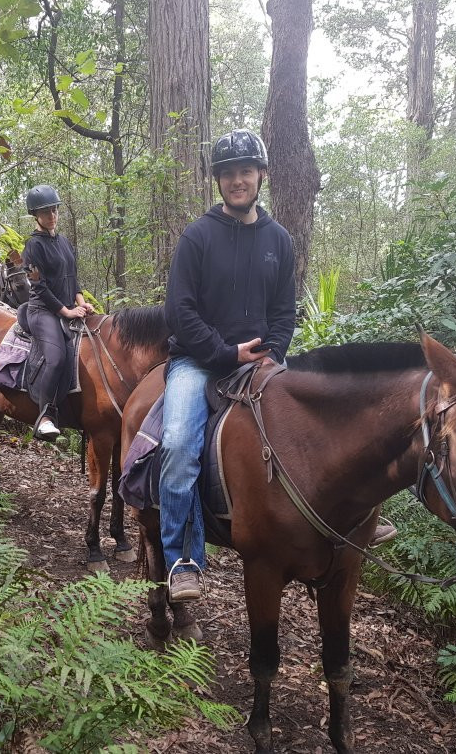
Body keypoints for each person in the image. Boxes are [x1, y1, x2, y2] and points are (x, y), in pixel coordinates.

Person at [160, 129, 297, 603]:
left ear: (261, 175)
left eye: (245, 171)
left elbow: (284, 312)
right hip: (198, 361)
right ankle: (182, 559)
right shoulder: (198, 236)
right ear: (217, 181)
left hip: (261, 363)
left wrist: (270, 353)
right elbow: (180, 310)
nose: (238, 181)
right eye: (228, 173)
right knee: (178, 443)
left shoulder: (278, 239)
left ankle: (339, 521)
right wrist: (224, 353)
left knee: (314, 423)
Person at [21, 184, 94, 441]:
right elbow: (38, 286)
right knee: (55, 357)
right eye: (46, 211)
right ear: (36, 215)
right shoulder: (32, 246)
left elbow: (72, 277)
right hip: (43, 312)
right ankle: (46, 416)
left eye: (54, 210)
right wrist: (65, 311)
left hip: (68, 307)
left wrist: (81, 302)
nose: (52, 215)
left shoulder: (63, 241)